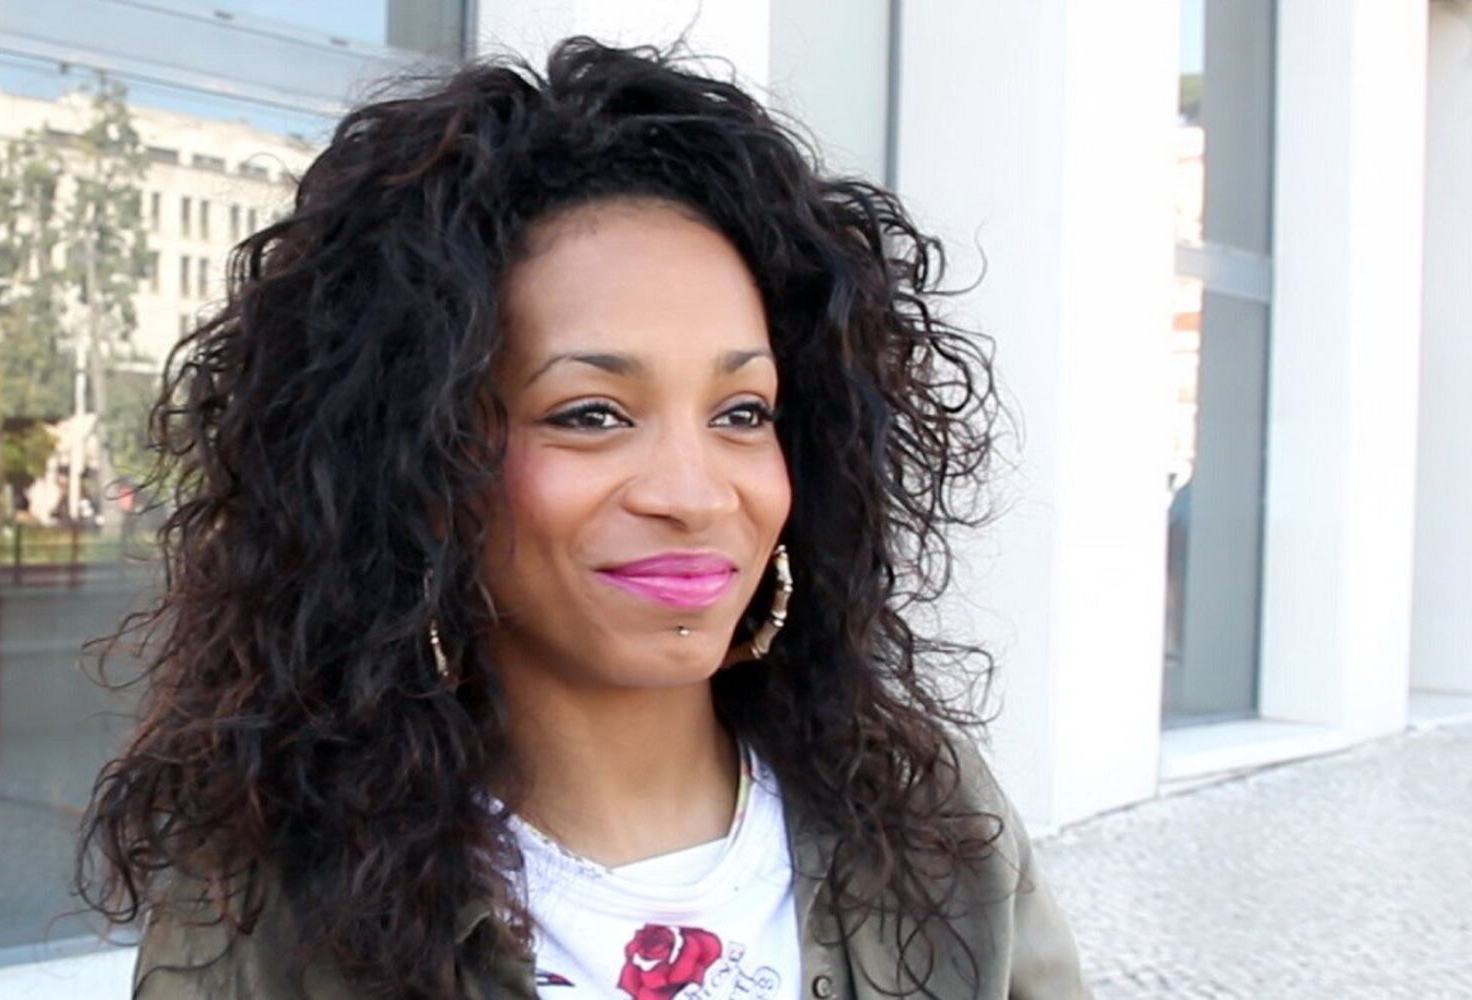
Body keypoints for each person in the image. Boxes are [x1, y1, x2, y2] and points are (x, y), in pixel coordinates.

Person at [77, 36, 1090, 1000]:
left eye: (743, 413)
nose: (695, 493)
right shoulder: (270, 902)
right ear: (419, 464)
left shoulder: (931, 815)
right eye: (591, 414)